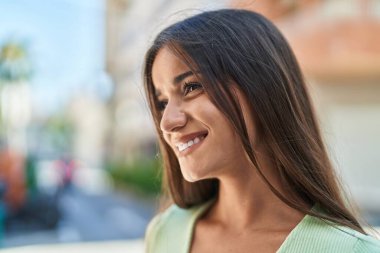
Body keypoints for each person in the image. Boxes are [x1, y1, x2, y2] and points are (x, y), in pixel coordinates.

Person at [142, 9, 380, 253]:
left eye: (191, 87)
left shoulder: (353, 250)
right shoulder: (165, 232)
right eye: (162, 102)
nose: (166, 122)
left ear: (260, 89)